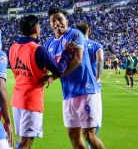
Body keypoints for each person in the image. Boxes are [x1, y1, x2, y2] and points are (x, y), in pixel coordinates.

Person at [44, 8, 104, 149]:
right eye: (54, 20)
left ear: (66, 21)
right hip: (68, 94)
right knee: (73, 134)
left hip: (86, 90)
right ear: (50, 24)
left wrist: (54, 76)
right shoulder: (48, 44)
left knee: (89, 135)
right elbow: (45, 66)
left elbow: (77, 59)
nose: (57, 22)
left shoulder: (75, 34)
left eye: (60, 19)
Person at [9, 15, 62, 149]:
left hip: (17, 99)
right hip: (31, 100)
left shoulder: (13, 47)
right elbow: (58, 69)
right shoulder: (37, 49)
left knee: (22, 141)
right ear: (36, 29)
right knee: (25, 143)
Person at [75, 23, 104, 88]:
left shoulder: (74, 45)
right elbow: (100, 60)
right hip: (92, 81)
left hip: (77, 81)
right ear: (89, 31)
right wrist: (98, 77)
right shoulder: (97, 45)